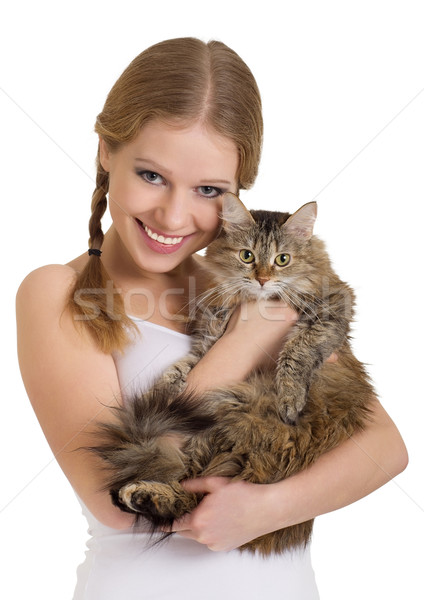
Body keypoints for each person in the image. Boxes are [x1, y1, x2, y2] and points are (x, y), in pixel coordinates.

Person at [16, 37, 407, 599]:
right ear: (106, 150)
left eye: (207, 190)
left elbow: (386, 449)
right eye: (151, 175)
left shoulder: (246, 282)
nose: (173, 214)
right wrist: (247, 340)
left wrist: (268, 508)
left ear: (236, 195)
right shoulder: (58, 291)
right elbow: (121, 497)